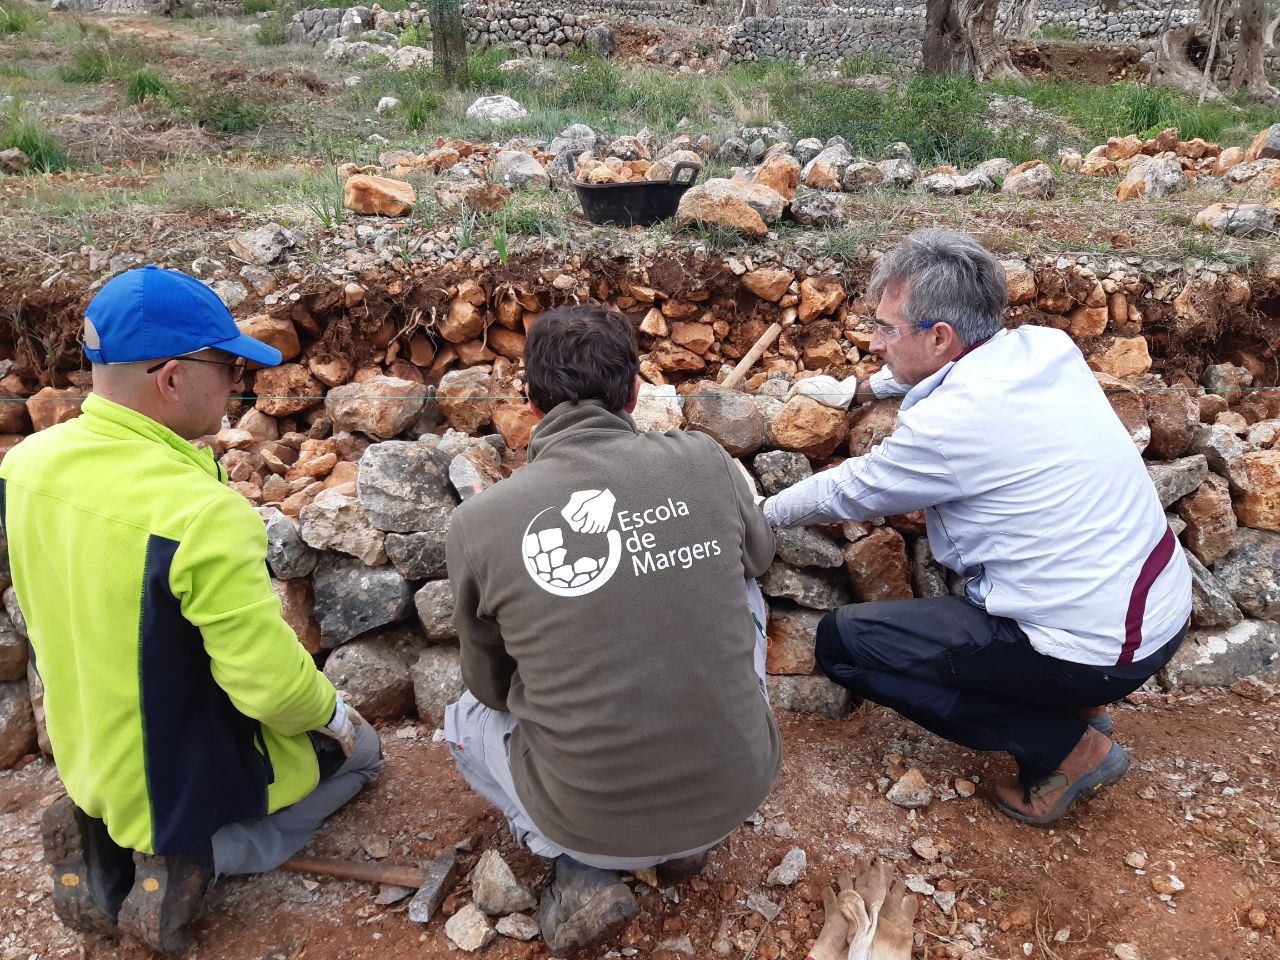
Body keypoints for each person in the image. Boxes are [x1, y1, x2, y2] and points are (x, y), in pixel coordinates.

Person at [0, 266, 382, 953]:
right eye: (230, 366)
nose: (240, 383)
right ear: (172, 378)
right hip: (175, 777)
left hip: (88, 755)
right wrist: (335, 716)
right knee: (364, 757)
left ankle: (102, 829)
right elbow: (268, 687)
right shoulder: (198, 514)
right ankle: (200, 854)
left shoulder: (27, 467)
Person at [763, 229, 1191, 826]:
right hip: (1157, 611)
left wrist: (758, 515)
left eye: (886, 329)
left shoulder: (952, 425)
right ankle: (1083, 709)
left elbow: (848, 488)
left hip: (1095, 649)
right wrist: (871, 385)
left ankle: (1070, 749)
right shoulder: (1046, 347)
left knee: (845, 645)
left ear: (940, 337)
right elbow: (945, 375)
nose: (873, 341)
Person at [444, 304, 781, 955]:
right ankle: (686, 839)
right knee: (740, 583)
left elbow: (487, 686)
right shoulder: (703, 460)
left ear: (530, 401)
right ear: (633, 391)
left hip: (588, 821)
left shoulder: (480, 523)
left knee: (461, 721)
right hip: (737, 792)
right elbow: (760, 558)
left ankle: (576, 858)